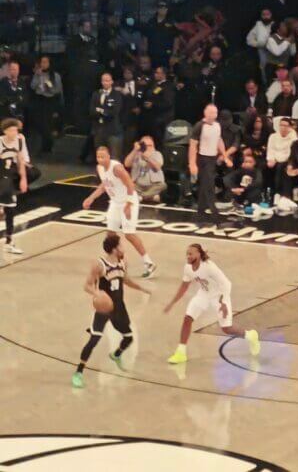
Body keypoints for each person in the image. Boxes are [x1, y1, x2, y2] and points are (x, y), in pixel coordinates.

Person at [71, 235, 151, 389]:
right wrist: (97, 294)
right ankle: (78, 372)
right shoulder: (99, 265)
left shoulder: (123, 262)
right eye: (121, 245)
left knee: (129, 338)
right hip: (104, 308)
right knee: (94, 340)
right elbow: (87, 285)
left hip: (119, 306)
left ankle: (116, 355)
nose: (124, 248)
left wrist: (141, 288)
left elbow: (124, 279)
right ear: (115, 248)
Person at [164, 244, 260, 364]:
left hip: (219, 296)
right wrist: (172, 302)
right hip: (204, 294)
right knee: (187, 318)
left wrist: (223, 303)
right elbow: (184, 286)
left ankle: (251, 336)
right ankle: (181, 353)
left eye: (190, 254)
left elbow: (226, 284)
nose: (188, 256)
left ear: (199, 254)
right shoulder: (188, 268)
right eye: (187, 254)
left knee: (227, 328)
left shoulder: (209, 267)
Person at [82, 147, 157, 278]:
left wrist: (128, 205)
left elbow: (130, 185)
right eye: (98, 157)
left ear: (109, 156)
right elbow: (105, 185)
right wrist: (91, 198)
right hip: (115, 202)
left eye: (103, 157)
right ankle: (115, 261)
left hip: (129, 200)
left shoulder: (117, 168)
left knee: (129, 234)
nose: (100, 159)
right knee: (110, 234)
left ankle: (148, 262)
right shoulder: (100, 168)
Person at [188, 104, 233, 220]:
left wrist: (225, 156)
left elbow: (219, 140)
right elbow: (193, 146)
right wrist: (192, 163)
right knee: (209, 184)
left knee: (205, 185)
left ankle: (201, 211)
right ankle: (215, 213)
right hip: (202, 158)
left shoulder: (217, 126)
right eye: (211, 113)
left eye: (215, 113)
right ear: (205, 113)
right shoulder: (199, 126)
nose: (214, 115)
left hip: (212, 158)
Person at [0, 118, 27, 254]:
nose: (14, 132)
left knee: (10, 211)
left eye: (16, 130)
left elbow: (21, 161)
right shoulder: (0, 142)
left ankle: (9, 241)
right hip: (1, 176)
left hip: (10, 178)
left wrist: (23, 179)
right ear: (5, 131)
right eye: (11, 130)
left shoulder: (20, 141)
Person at [89, 72, 123, 159]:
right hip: (99, 129)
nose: (105, 83)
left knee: (114, 157)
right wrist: (104, 112)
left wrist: (101, 110)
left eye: (107, 80)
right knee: (100, 156)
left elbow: (114, 112)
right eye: (103, 80)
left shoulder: (117, 95)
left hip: (112, 130)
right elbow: (92, 111)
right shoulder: (96, 94)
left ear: (112, 82)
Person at [124, 136, 166, 203]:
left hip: (153, 185)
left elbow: (158, 167)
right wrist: (135, 150)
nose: (148, 148)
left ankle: (141, 196)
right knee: (127, 184)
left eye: (150, 146)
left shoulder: (157, 154)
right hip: (138, 186)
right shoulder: (136, 154)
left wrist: (147, 157)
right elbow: (126, 164)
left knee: (162, 185)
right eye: (145, 146)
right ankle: (150, 197)